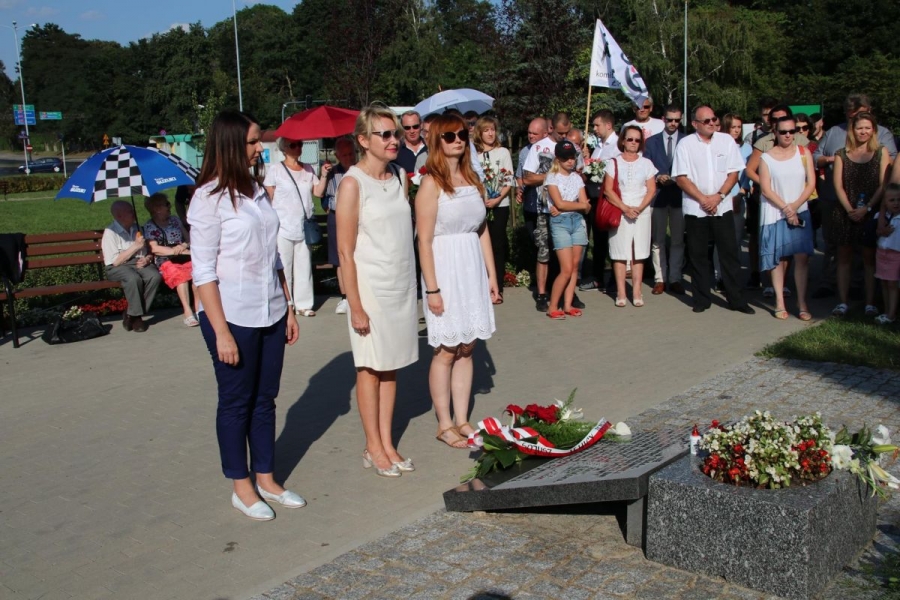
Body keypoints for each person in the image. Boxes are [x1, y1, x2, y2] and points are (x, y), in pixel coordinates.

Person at [189, 109, 302, 521]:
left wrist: (288, 307)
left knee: (265, 398)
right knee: (237, 401)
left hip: (270, 310)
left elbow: (274, 256)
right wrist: (221, 332)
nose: (260, 149)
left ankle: (267, 478)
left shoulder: (255, 191)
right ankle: (241, 486)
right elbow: (203, 271)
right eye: (253, 142)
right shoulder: (208, 198)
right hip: (231, 316)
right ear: (231, 144)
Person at [336, 106, 418, 476]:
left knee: (391, 366)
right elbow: (344, 251)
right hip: (370, 289)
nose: (393, 140)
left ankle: (387, 441)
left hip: (400, 285)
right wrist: (355, 304)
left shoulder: (400, 175)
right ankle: (372, 446)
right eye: (384, 134)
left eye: (395, 133)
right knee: (370, 366)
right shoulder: (352, 183)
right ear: (363, 140)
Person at [417, 114, 498, 448]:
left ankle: (463, 419)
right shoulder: (430, 183)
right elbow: (423, 241)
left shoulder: (473, 179)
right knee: (446, 350)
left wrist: (492, 275)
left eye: (462, 134)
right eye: (449, 136)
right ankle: (444, 423)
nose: (458, 140)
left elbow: (481, 230)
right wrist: (433, 289)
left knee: (468, 347)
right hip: (445, 269)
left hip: (471, 268)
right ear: (437, 140)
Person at [813, 94, 898, 299]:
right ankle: (829, 284)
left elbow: (890, 165)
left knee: (865, 251)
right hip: (836, 200)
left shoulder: (883, 134)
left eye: (860, 116)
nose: (857, 122)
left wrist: (868, 207)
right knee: (833, 246)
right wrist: (830, 159)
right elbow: (816, 157)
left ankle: (862, 289)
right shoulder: (834, 132)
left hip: (871, 202)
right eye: (851, 116)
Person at [672, 106, 755, 314]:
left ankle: (736, 299)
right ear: (695, 124)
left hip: (722, 206)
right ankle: (701, 299)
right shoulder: (685, 144)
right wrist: (703, 199)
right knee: (698, 255)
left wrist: (719, 197)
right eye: (706, 121)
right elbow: (681, 178)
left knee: (729, 254)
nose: (711, 123)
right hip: (696, 208)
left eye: (713, 119)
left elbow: (733, 173)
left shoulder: (726, 141)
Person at [827, 112, 891, 317]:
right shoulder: (841, 154)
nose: (863, 132)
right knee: (843, 258)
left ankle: (870, 303)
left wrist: (867, 208)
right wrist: (850, 210)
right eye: (859, 128)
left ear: (873, 130)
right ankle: (842, 302)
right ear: (852, 130)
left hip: (870, 212)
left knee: (869, 259)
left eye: (867, 128)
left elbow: (883, 185)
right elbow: (838, 185)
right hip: (845, 212)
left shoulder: (881, 152)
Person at [757, 116, 816, 320]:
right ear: (775, 132)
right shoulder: (766, 158)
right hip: (775, 213)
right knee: (778, 258)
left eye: (792, 131)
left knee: (801, 257)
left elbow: (811, 183)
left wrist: (795, 206)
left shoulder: (804, 153)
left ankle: (802, 302)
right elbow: (766, 189)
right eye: (783, 132)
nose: (788, 135)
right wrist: (786, 209)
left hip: (800, 210)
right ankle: (779, 301)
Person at [263, 136, 328, 317]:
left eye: (300, 144)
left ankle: (304, 304)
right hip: (282, 226)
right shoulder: (275, 170)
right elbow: (269, 198)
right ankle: (286, 303)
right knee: (284, 266)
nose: (298, 147)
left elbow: (318, 192)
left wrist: (324, 175)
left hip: (304, 226)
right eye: (293, 145)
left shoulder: (308, 169)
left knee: (304, 266)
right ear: (284, 148)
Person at [604, 125, 658, 307]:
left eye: (637, 140)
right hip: (619, 211)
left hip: (641, 212)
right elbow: (608, 190)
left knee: (639, 252)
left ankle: (636, 292)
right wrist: (625, 208)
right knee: (619, 252)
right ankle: (620, 292)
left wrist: (639, 208)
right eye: (630, 139)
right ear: (623, 141)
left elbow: (651, 190)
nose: (634, 143)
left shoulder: (647, 163)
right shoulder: (613, 163)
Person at [643, 104, 686, 295]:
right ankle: (659, 278)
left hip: (679, 195)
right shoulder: (651, 142)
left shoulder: (686, 140)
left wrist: (676, 178)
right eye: (670, 120)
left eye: (677, 120)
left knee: (677, 239)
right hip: (658, 195)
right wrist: (657, 176)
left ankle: (675, 277)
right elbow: (645, 166)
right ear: (663, 119)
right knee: (658, 240)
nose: (673, 123)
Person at [545, 140, 591, 318]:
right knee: (565, 268)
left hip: (577, 222)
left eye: (572, 157)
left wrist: (571, 206)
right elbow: (560, 203)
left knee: (574, 267)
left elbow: (586, 206)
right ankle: (552, 306)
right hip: (560, 223)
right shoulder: (552, 177)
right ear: (557, 159)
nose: (570, 161)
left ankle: (567, 304)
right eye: (566, 158)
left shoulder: (577, 178)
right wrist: (577, 205)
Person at [102, 200, 161, 333]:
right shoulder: (110, 232)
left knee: (154, 276)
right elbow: (115, 261)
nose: (134, 213)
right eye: (130, 211)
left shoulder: (137, 228)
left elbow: (148, 252)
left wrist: (147, 259)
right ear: (119, 215)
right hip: (118, 266)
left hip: (138, 262)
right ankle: (137, 318)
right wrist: (135, 246)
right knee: (133, 278)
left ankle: (131, 314)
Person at [579, 109, 621, 294]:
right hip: (595, 197)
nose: (594, 129)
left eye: (597, 125)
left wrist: (595, 171)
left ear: (608, 125)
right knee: (598, 240)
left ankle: (613, 279)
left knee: (610, 240)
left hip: (609, 198)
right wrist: (587, 161)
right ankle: (598, 277)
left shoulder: (617, 146)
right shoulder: (599, 145)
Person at [474, 116, 514, 304]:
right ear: (479, 133)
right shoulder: (473, 154)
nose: (490, 134)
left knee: (497, 245)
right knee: (480, 246)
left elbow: (508, 179)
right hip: (480, 204)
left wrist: (497, 198)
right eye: (486, 130)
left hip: (499, 205)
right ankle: (482, 287)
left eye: (492, 130)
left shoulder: (502, 152)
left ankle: (497, 288)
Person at [143, 193, 198, 327]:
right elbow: (154, 248)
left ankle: (198, 309)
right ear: (157, 209)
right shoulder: (150, 226)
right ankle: (188, 311)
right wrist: (174, 251)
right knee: (180, 275)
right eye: (166, 204)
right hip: (165, 259)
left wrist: (183, 246)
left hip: (183, 254)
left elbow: (188, 238)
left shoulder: (175, 220)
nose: (170, 206)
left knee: (198, 271)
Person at [518, 118, 554, 312]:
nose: (530, 136)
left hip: (551, 206)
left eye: (534, 133)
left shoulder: (552, 149)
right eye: (529, 132)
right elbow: (523, 176)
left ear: (545, 133)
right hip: (532, 205)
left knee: (550, 248)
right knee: (538, 246)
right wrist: (520, 188)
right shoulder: (525, 151)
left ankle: (552, 288)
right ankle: (541, 289)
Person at [321, 137, 357, 314]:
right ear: (337, 156)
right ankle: (345, 297)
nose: (348, 158)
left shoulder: (361, 170)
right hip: (337, 217)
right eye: (344, 155)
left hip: (358, 217)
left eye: (351, 154)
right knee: (340, 259)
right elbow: (322, 198)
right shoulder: (332, 173)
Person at [874, 183, 900, 324]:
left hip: (895, 255)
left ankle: (891, 314)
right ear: (885, 202)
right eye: (892, 200)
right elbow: (876, 232)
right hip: (881, 253)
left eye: (899, 200)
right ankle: (886, 310)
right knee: (884, 283)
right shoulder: (881, 217)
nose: (896, 203)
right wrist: (880, 230)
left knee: (892, 284)